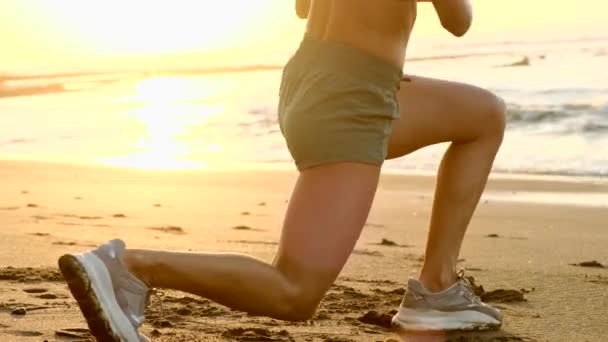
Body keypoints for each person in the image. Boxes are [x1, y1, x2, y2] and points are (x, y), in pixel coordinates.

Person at [58, 0, 506, 340]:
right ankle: (130, 266)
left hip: (320, 78)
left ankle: (437, 288)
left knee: (484, 113)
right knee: (294, 291)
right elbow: (458, 20)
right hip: (350, 96)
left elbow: (301, 7)